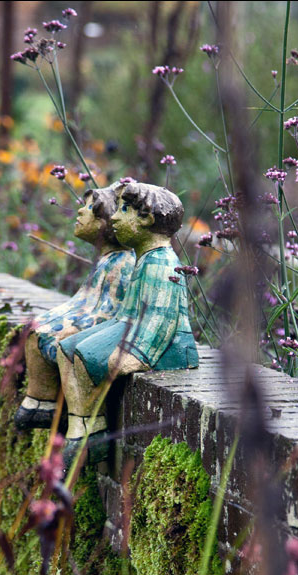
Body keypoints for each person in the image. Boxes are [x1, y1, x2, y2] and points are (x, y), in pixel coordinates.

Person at [56, 181, 198, 468]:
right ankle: (81, 427)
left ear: (146, 219)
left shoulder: (162, 264)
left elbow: (160, 322)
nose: (116, 218)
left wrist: (135, 356)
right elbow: (129, 312)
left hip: (166, 344)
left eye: (123, 210)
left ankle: (91, 435)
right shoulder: (145, 259)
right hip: (129, 324)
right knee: (66, 348)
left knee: (87, 357)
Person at [14, 181, 135, 430]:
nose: (80, 211)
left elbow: (108, 310)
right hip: (91, 319)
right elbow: (79, 303)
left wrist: (62, 325)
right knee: (36, 330)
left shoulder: (123, 262)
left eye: (91, 208)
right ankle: (40, 402)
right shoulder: (104, 261)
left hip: (107, 329)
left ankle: (78, 419)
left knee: (61, 337)